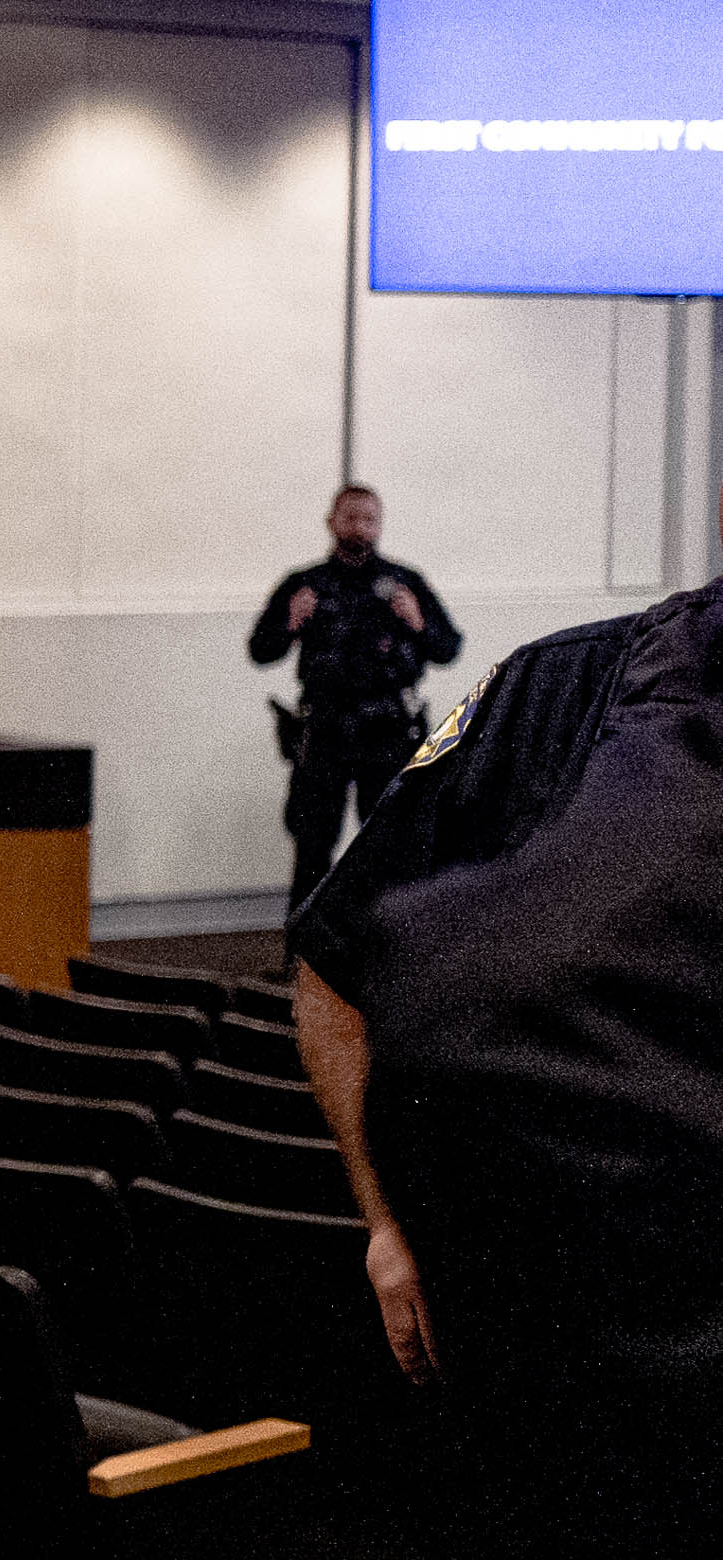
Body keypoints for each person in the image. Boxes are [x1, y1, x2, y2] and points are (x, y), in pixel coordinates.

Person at [289, 561, 723, 1553]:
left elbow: (435, 642)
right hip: (559, 1379)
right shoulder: (556, 692)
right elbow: (336, 957)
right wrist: (387, 1222)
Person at [249, 484, 461, 916]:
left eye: (369, 518)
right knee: (312, 847)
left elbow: (448, 648)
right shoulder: (306, 585)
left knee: (389, 847)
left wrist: (418, 623)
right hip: (325, 728)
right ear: (331, 522)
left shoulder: (405, 584)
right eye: (350, 517)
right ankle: (300, 964)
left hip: (387, 731)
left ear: (380, 524)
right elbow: (260, 650)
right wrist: (290, 623)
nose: (359, 527)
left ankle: (388, 960)